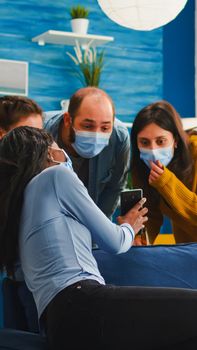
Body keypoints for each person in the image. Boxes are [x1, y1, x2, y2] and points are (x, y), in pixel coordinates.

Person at [1, 127, 197, 350]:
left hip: (58, 326)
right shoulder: (56, 176)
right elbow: (115, 242)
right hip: (83, 303)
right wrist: (129, 226)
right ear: (48, 153)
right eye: (59, 148)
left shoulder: (19, 207)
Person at [44, 87, 130, 219]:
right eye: (88, 126)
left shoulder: (119, 138)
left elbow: (114, 188)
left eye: (105, 128)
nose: (96, 135)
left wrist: (98, 230)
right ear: (68, 120)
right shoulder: (42, 131)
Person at [130, 100, 197, 244]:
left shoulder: (195, 151)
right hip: (187, 251)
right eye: (144, 142)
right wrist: (140, 239)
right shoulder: (142, 166)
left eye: (160, 141)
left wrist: (166, 182)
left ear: (175, 140)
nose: (153, 150)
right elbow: (150, 215)